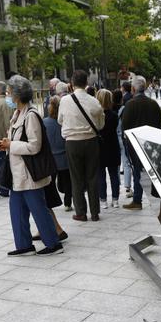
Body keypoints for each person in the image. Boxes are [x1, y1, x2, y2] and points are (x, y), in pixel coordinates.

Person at [0, 75, 62, 256]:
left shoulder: (31, 115)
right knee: (16, 210)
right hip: (18, 173)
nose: (7, 95)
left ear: (17, 95)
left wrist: (11, 145)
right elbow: (19, 141)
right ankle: (24, 244)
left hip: (29, 174)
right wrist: (6, 143)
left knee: (39, 209)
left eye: (9, 92)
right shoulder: (17, 114)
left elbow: (34, 145)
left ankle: (53, 244)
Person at [57, 70, 105, 222]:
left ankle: (81, 212)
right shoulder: (93, 101)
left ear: (71, 83)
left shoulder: (64, 101)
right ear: (87, 83)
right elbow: (101, 124)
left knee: (76, 178)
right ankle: (95, 212)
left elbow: (59, 120)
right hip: (91, 141)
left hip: (72, 142)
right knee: (92, 177)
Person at [121, 75, 161, 211]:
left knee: (137, 172)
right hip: (151, 144)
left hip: (135, 145)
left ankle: (137, 200)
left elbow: (124, 127)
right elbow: (160, 126)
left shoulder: (130, 104)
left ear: (133, 88)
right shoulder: (153, 104)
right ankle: (154, 197)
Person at [44, 95, 72, 211]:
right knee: (68, 181)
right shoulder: (65, 122)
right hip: (64, 157)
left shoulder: (44, 122)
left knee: (50, 182)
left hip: (50, 158)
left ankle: (50, 203)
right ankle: (67, 203)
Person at [96, 88, 122, 209]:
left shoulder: (96, 116)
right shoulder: (114, 115)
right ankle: (115, 199)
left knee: (100, 175)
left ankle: (103, 200)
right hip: (112, 146)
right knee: (114, 175)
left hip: (100, 147)